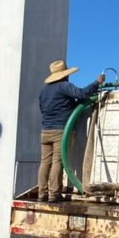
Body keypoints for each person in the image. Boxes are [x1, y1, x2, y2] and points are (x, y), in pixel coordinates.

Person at [38, 60, 104, 202]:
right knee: (58, 161)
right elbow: (81, 94)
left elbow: (44, 109)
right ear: (65, 75)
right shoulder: (64, 86)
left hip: (45, 131)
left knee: (45, 162)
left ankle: (42, 193)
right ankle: (54, 194)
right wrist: (97, 83)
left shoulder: (44, 91)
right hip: (61, 131)